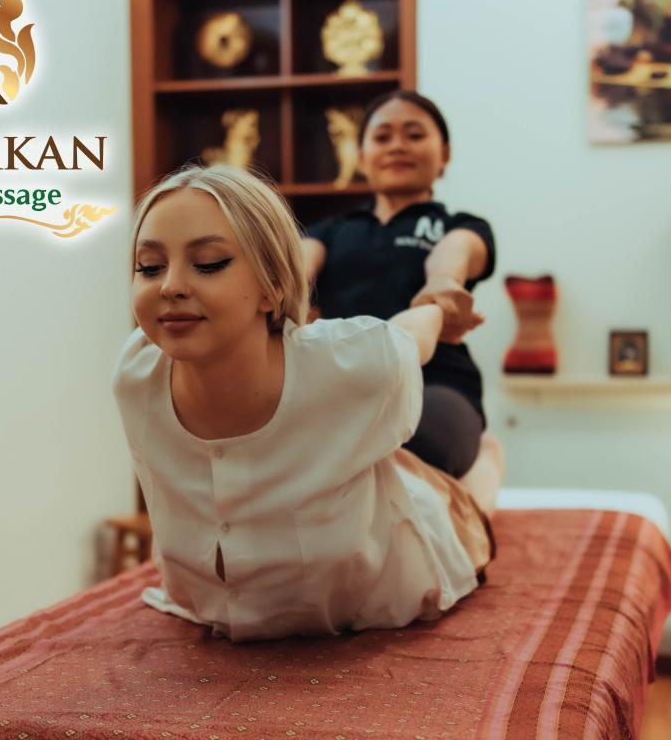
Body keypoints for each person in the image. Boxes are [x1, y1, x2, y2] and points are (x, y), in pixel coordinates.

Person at [111, 164, 500, 642]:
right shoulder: (135, 376)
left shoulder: (347, 364)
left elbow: (409, 339)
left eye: (209, 262)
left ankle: (488, 463)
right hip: (220, 604)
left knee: (464, 510)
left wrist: (440, 307)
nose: (169, 285)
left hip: (380, 587)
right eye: (149, 267)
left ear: (273, 285)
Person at [303, 91, 498, 480]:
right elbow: (293, 267)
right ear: (361, 158)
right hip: (344, 384)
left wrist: (443, 285)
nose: (397, 146)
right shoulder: (330, 232)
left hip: (437, 385)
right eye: (382, 137)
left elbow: (454, 253)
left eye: (413, 135)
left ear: (444, 156)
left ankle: (485, 462)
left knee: (416, 442)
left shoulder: (459, 226)